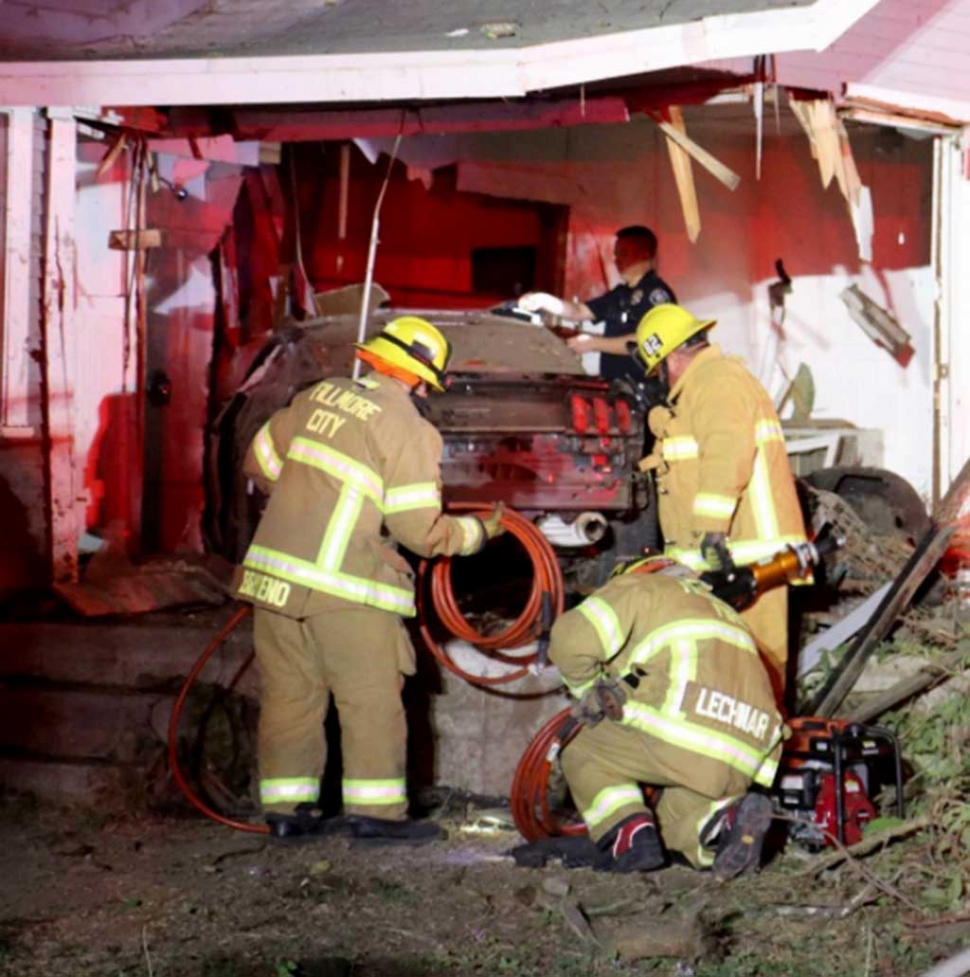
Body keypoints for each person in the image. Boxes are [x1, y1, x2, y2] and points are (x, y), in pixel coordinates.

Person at [233, 316, 504, 842]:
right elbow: (420, 532)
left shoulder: (319, 396)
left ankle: (288, 815)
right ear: (422, 380)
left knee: (292, 697)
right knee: (370, 698)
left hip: (273, 582)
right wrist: (478, 532)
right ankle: (375, 816)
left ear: (376, 358)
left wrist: (308, 504)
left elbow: (259, 462)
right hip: (345, 588)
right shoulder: (407, 426)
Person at [548, 558, 782, 878]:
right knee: (670, 824)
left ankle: (627, 835)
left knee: (580, 748)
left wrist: (588, 689)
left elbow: (570, 641)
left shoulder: (639, 587)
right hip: (743, 757)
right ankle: (724, 823)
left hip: (680, 727)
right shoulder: (727, 614)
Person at [632, 303, 808, 700]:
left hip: (746, 557)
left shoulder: (716, 380)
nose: (662, 379)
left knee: (757, 675)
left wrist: (712, 529)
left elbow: (727, 453)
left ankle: (765, 753)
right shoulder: (701, 387)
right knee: (730, 677)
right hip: (730, 557)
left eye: (659, 368)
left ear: (673, 356)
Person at [518, 225, 675, 383]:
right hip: (614, 385)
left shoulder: (657, 295)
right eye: (616, 254)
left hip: (643, 389)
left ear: (644, 254)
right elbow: (578, 312)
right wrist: (543, 300)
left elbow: (649, 341)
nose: (617, 260)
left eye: (624, 253)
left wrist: (594, 344)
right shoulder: (619, 294)